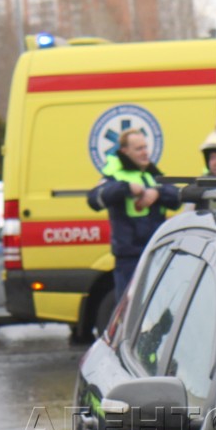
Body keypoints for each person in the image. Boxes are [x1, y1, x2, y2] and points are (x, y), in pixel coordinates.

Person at [87, 129, 180, 301]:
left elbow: (177, 197)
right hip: (130, 258)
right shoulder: (114, 175)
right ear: (125, 151)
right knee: (130, 309)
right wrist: (126, 188)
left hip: (157, 252)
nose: (145, 152)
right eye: (138, 149)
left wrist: (157, 194)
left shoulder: (151, 174)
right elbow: (94, 199)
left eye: (145, 147)